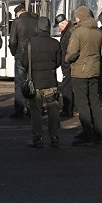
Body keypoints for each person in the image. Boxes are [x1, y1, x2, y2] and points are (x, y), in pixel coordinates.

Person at [66, 6, 102, 146]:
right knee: (95, 102)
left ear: (81, 17)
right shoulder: (98, 32)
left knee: (83, 104)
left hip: (80, 72)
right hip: (95, 70)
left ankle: (88, 134)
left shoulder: (78, 33)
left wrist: (67, 59)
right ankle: (99, 133)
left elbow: (72, 54)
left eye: (77, 16)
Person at [21, 17, 63, 148]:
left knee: (36, 111)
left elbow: (24, 63)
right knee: (53, 110)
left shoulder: (30, 43)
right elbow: (58, 62)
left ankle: (37, 138)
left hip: (35, 82)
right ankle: (54, 137)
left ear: (37, 28)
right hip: (51, 81)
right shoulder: (55, 43)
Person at [8, 3, 38, 119]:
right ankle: (32, 109)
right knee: (32, 82)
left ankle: (19, 110)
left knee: (19, 83)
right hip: (34, 55)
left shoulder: (17, 22)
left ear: (19, 12)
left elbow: (12, 41)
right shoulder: (36, 20)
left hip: (20, 55)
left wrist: (14, 52)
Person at [55, 13, 75, 117]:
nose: (58, 28)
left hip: (68, 65)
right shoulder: (69, 30)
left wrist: (66, 61)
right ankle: (71, 108)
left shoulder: (69, 32)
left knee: (66, 87)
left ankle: (67, 109)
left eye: (58, 25)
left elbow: (69, 50)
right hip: (68, 64)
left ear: (62, 23)